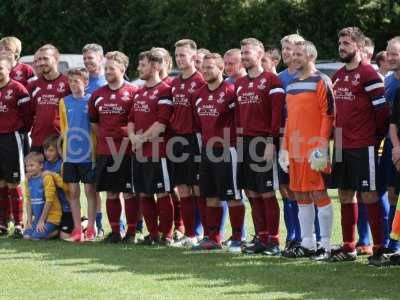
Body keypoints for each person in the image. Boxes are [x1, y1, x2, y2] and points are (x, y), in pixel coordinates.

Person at [330, 27, 390, 265]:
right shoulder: (338, 76)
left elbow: (382, 113)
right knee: (345, 194)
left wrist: (374, 139)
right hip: (342, 145)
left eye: (346, 43)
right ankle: (349, 246)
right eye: (340, 43)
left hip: (363, 144)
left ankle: (378, 249)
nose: (341, 47)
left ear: (358, 45)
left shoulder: (369, 75)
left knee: (369, 194)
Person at [279, 41, 334, 260]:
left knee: (319, 194)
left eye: (299, 54)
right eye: (292, 54)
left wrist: (321, 146)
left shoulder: (322, 80)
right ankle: (308, 243)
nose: (294, 58)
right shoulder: (291, 85)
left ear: (311, 56)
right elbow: (290, 119)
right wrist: (284, 148)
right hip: (295, 150)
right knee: (300, 195)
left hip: (314, 150)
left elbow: (328, 115)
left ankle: (326, 246)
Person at [192, 53, 244, 252]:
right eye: (203, 68)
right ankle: (213, 238)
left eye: (210, 67)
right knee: (210, 195)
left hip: (227, 151)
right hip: (207, 151)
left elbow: (238, 122)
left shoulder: (231, 92)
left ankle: (238, 238)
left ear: (221, 68)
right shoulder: (198, 95)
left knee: (232, 195)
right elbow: (198, 125)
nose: (205, 71)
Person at [237, 38, 285, 256]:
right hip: (244, 143)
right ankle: (261, 238)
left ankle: (274, 242)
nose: (244, 56)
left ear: (260, 53)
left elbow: (276, 116)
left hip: (263, 142)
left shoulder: (272, 81)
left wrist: (270, 142)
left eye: (248, 52)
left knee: (266, 192)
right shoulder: (239, 83)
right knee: (252, 193)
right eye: (242, 52)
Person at [88, 51, 138, 243]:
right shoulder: (98, 95)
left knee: (129, 192)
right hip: (105, 151)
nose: (107, 71)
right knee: (111, 192)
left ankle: (132, 233)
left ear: (122, 70)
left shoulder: (133, 92)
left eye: (111, 68)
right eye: (106, 68)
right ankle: (115, 232)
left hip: (126, 151)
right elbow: (93, 121)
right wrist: (106, 137)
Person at [128, 50, 174, 245]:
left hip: (158, 152)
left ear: (155, 66)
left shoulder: (164, 90)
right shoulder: (139, 92)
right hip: (139, 151)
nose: (139, 68)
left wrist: (142, 139)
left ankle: (167, 235)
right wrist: (132, 136)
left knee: (162, 192)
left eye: (143, 65)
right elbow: (130, 119)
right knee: (144, 193)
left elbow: (162, 124)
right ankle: (152, 234)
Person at [169, 39, 206, 247]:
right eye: (177, 55)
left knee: (197, 188)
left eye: (183, 55)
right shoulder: (174, 83)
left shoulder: (200, 82)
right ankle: (189, 234)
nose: (179, 59)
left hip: (195, 139)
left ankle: (204, 234)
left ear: (193, 57)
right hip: (177, 140)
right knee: (183, 189)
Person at [59, 67, 97, 242]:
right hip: (70, 157)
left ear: (86, 83)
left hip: (89, 155)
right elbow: (64, 129)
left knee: (90, 192)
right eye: (70, 81)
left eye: (77, 81)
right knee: (73, 193)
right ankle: (77, 228)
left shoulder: (92, 100)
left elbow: (95, 128)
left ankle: (90, 228)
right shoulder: (64, 102)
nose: (73, 84)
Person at [278, 34, 306, 252]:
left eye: (291, 49)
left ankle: (310, 238)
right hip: (283, 143)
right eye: (284, 48)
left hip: (307, 142)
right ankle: (292, 237)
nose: (286, 52)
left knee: (307, 191)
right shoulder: (279, 78)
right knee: (286, 191)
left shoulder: (311, 76)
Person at [0, 57, 30, 237]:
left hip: (12, 138)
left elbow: (27, 117)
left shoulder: (18, 89)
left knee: (13, 181)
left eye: (1, 68)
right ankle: (2, 223)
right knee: (1, 182)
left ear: (9, 69)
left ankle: (19, 224)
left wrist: (18, 131)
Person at [82, 43, 107, 237]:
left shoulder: (107, 81)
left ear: (101, 58)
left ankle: (122, 224)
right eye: (85, 58)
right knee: (91, 187)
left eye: (91, 58)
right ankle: (97, 225)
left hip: (108, 144)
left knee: (116, 188)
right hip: (84, 145)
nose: (87, 61)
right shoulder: (81, 81)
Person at [29, 44, 70, 153]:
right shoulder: (33, 85)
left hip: (59, 141)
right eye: (38, 59)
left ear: (56, 59)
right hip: (38, 141)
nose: (41, 62)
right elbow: (30, 113)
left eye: (45, 58)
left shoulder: (68, 83)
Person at [23, 152, 62, 240]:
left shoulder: (46, 177)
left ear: (41, 166)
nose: (28, 168)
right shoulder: (28, 179)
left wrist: (41, 221)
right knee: (26, 236)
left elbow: (49, 201)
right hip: (38, 218)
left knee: (35, 237)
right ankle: (43, 231)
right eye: (27, 166)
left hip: (51, 217)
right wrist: (29, 221)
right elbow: (28, 201)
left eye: (31, 165)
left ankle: (56, 232)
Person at [41, 135, 73, 241]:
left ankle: (83, 222)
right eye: (45, 150)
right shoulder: (44, 165)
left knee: (64, 237)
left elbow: (67, 187)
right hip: (53, 208)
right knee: (44, 235)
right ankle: (58, 229)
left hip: (66, 207)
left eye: (51, 150)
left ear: (58, 151)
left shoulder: (62, 165)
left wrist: (52, 174)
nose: (47, 153)